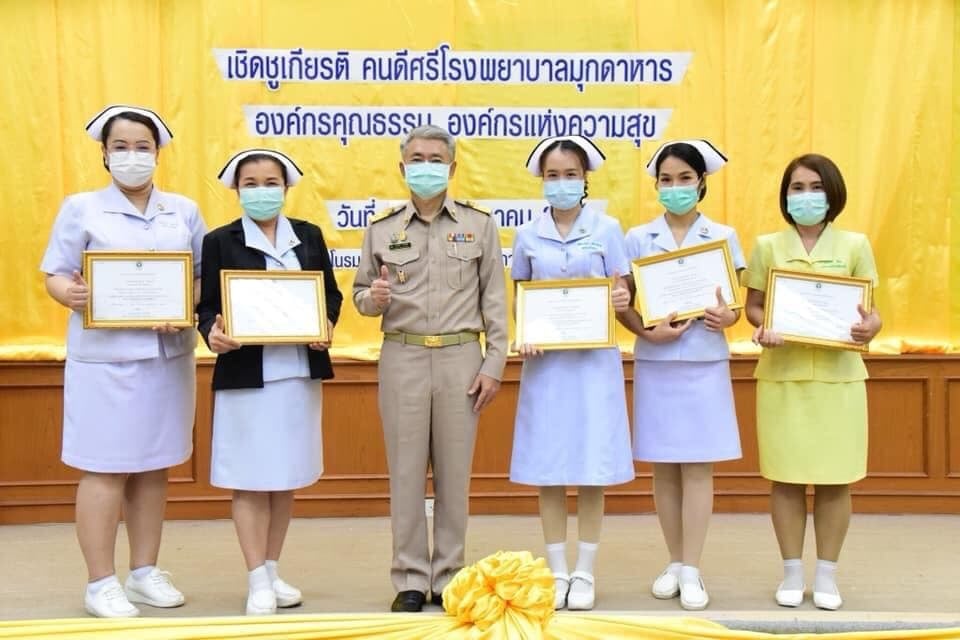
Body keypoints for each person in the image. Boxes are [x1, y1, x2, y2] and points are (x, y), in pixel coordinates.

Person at [40, 105, 205, 618]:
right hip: (105, 362)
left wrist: (185, 308)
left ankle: (143, 572)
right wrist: (71, 294)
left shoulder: (183, 211)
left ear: (157, 154)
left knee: (154, 466)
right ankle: (99, 582)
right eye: (121, 147)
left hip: (167, 357)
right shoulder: (81, 208)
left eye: (142, 147)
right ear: (105, 155)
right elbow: (56, 273)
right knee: (105, 469)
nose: (133, 156)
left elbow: (201, 276)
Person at [353, 125, 508, 612]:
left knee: (454, 476)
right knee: (405, 473)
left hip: (462, 357)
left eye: (436, 159)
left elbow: (495, 300)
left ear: (452, 167)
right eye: (417, 159)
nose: (426, 167)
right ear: (402, 168)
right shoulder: (382, 229)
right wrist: (374, 299)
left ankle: (450, 575)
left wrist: (494, 363)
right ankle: (410, 577)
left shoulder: (479, 225)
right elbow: (360, 295)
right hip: (403, 355)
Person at [196, 149, 342, 615]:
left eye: (271, 182)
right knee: (250, 479)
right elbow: (207, 306)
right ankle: (255, 576)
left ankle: (274, 569)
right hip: (246, 376)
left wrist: (326, 324)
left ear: (287, 186)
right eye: (251, 184)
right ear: (237, 190)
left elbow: (330, 295)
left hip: (298, 373)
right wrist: (212, 333)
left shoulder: (309, 235)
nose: (262, 191)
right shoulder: (220, 240)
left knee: (284, 477)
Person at [742, 154, 882, 610]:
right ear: (785, 196)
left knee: (835, 481)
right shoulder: (767, 246)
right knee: (785, 479)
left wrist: (869, 328)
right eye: (797, 188)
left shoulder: (855, 245)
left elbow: (871, 313)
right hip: (783, 377)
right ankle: (791, 573)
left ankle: (826, 576)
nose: (806, 196)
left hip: (840, 380)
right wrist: (764, 326)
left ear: (833, 193)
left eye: (816, 187)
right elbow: (755, 306)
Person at [617, 139, 744, 611]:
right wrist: (646, 332)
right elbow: (625, 305)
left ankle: (693, 567)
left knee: (698, 466)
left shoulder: (723, 235)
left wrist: (727, 319)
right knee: (664, 466)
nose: (675, 188)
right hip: (657, 364)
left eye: (684, 179)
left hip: (705, 362)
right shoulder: (637, 238)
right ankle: (674, 561)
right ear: (656, 185)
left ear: (701, 182)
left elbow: (736, 307)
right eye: (666, 180)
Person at [510, 135, 634, 611]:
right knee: (550, 467)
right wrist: (526, 330)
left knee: (591, 467)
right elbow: (521, 295)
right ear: (542, 181)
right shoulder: (527, 235)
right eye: (553, 175)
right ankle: (557, 569)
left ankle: (585, 570)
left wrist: (621, 298)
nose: (561, 183)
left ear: (585, 180)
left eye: (570, 175)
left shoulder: (608, 229)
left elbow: (623, 289)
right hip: (547, 367)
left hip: (593, 367)